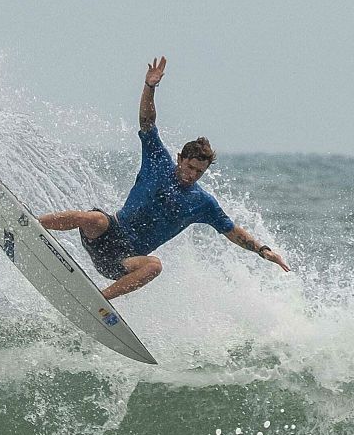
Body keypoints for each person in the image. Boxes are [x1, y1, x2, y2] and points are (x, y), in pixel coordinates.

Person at [38, 57, 289, 300]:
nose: (193, 175)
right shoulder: (158, 160)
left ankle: (98, 302)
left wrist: (263, 251)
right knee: (91, 217)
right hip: (107, 233)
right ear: (180, 159)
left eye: (199, 172)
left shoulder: (202, 203)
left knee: (155, 266)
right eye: (190, 167)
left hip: (126, 260)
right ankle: (30, 224)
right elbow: (147, 121)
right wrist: (150, 87)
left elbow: (232, 231)